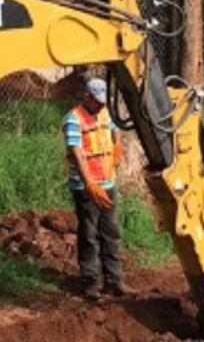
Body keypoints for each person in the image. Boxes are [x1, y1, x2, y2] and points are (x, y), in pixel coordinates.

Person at [62, 77, 133, 300]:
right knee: (89, 234)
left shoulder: (104, 112)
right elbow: (77, 153)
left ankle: (114, 281)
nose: (102, 104)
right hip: (86, 187)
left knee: (111, 232)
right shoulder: (74, 119)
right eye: (98, 100)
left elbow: (115, 129)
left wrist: (117, 144)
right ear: (88, 97)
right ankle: (90, 282)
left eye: (104, 101)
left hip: (107, 183)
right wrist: (89, 183)